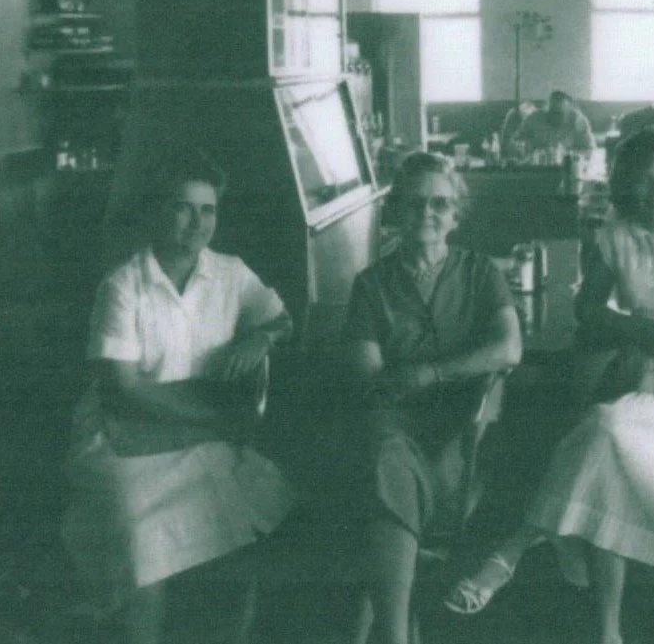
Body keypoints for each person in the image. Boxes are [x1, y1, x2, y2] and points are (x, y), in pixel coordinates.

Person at [442, 129, 654, 644]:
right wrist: (637, 330)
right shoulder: (614, 236)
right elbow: (588, 308)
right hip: (648, 377)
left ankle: (512, 551)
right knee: (610, 451)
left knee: (606, 431)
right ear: (628, 186)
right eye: (645, 182)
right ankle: (606, 634)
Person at [61, 153, 293, 644]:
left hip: (199, 432)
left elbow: (281, 318)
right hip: (123, 434)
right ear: (157, 213)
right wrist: (213, 422)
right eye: (183, 208)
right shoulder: (124, 286)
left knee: (239, 513)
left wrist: (260, 339)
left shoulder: (230, 273)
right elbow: (121, 391)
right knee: (142, 536)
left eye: (208, 210)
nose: (198, 223)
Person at [344, 152, 523, 644]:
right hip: (391, 430)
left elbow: (509, 348)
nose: (428, 213)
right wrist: (457, 370)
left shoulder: (480, 272)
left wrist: (428, 373)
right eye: (415, 202)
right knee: (387, 460)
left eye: (440, 203)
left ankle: (389, 628)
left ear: (456, 214)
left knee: (387, 486)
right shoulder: (371, 285)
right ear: (396, 211)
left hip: (462, 434)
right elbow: (370, 380)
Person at [509, 89, 596, 158]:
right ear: (546, 110)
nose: (555, 117)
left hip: (568, 165)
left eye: (560, 113)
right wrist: (526, 149)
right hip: (540, 167)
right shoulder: (534, 118)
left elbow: (590, 149)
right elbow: (515, 141)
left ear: (569, 111)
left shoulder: (578, 121)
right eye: (551, 112)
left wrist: (568, 154)